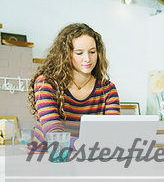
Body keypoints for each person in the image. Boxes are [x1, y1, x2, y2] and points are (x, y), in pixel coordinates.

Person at [28, 23, 120, 152]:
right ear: (66, 55)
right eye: (79, 53)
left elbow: (111, 130)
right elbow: (52, 130)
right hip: (44, 158)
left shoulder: (107, 89)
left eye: (92, 52)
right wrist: (79, 144)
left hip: (85, 158)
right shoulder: (46, 83)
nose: (87, 59)